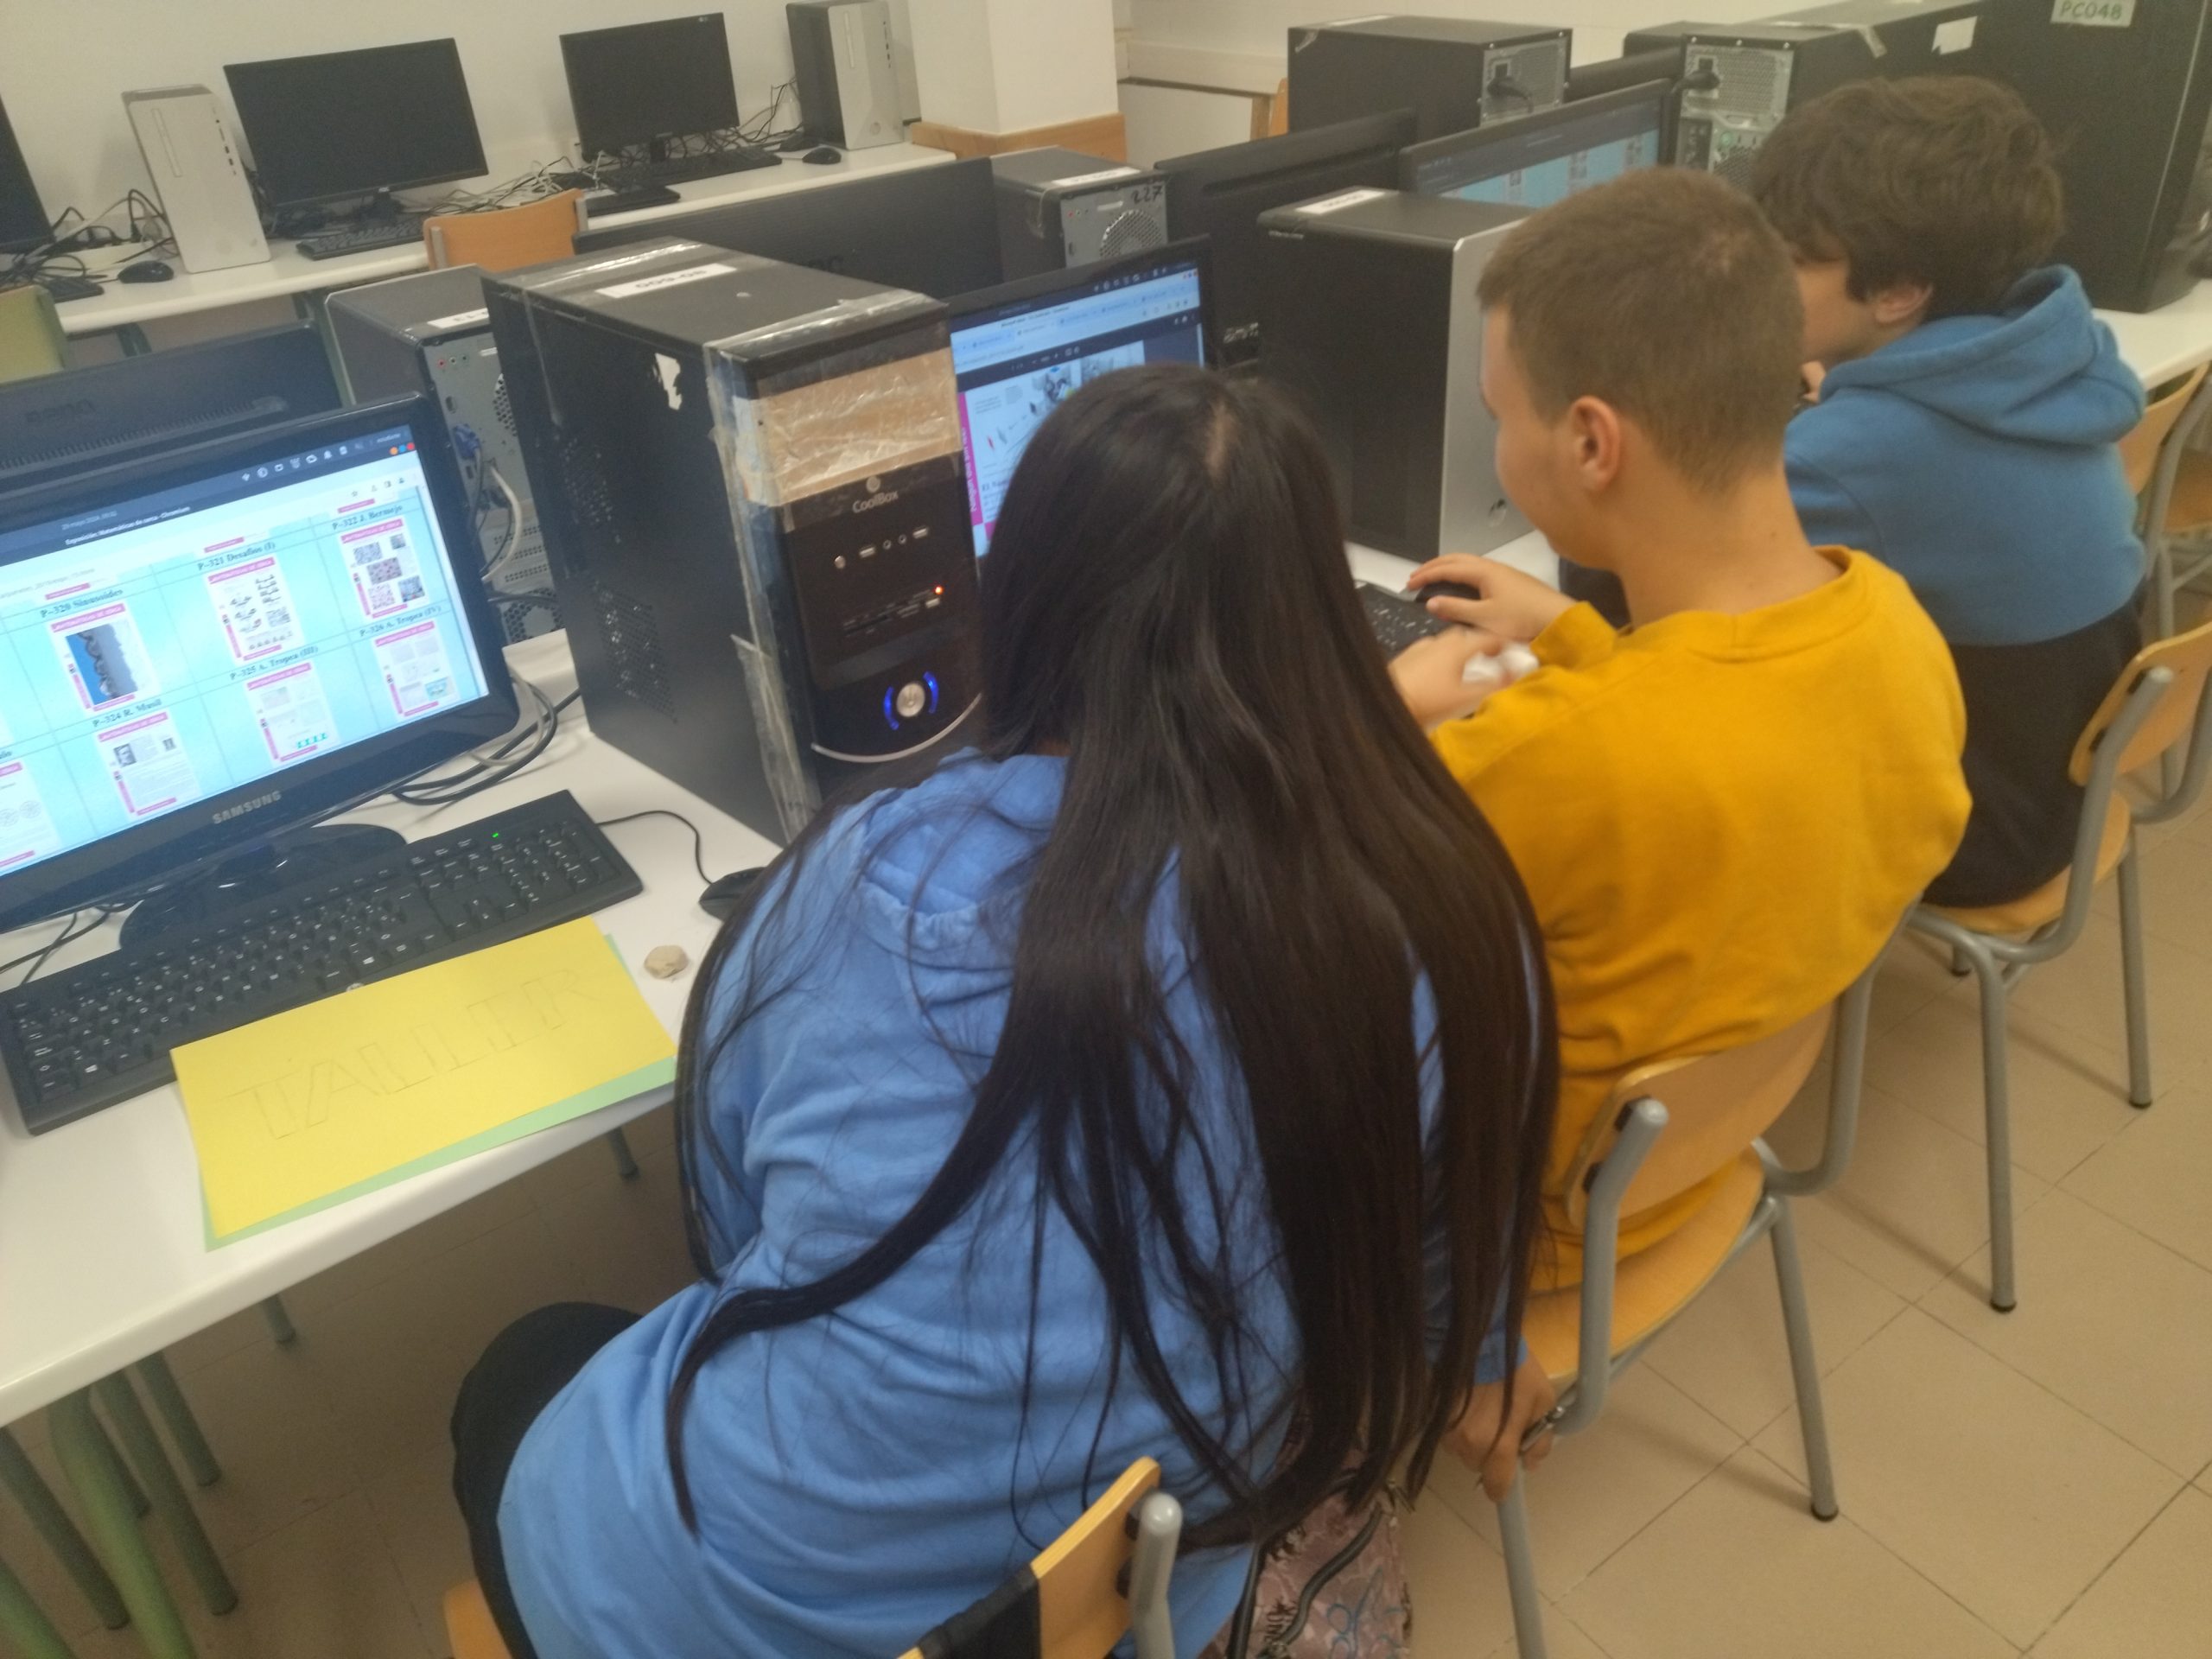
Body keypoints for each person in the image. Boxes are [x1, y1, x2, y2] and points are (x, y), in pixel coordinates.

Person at [450, 365, 1562, 1659]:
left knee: (530, 1362)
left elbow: (730, 1215)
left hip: (677, 1609)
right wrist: (1487, 1357)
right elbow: (1443, 1253)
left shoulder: (860, 868)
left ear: (1020, 595)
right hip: (1129, 1600)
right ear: (1316, 614)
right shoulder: (1436, 907)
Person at [1391, 168, 1971, 1278]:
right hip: (1703, 1150)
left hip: (1517, 1221)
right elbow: (1708, 725)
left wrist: (1379, 713)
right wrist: (1572, 634)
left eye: (1501, 417)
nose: (1499, 445)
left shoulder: (1548, 755)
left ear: (1591, 444)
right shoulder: (1894, 626)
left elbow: (1300, 898)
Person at [1751, 75, 2146, 908]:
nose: (1758, 277)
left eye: (1793, 259)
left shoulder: (1854, 455)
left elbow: (1675, 576)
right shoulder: (2049, 358)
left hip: (1973, 828)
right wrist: (1853, 391)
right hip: (2055, 791)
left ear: (1898, 293)